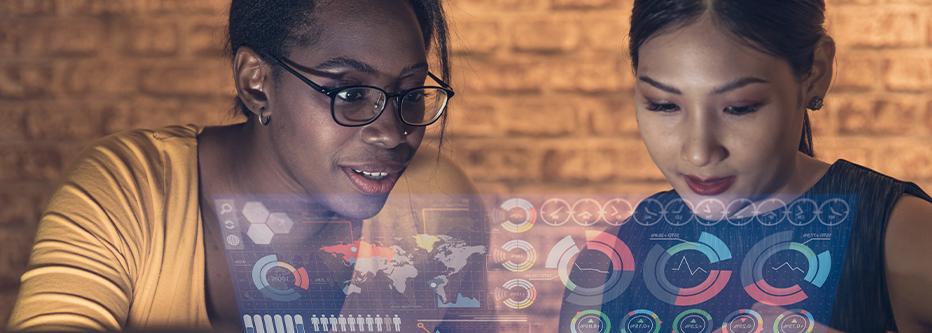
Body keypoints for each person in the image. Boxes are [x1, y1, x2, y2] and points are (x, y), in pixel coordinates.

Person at [8, 0, 490, 331]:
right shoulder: (132, 189)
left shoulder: (434, 207)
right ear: (257, 82)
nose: (391, 132)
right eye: (350, 92)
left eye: (409, 94)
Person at [559, 1, 932, 332]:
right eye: (663, 105)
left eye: (739, 107)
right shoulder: (608, 263)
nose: (699, 153)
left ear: (815, 72)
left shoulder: (905, 239)